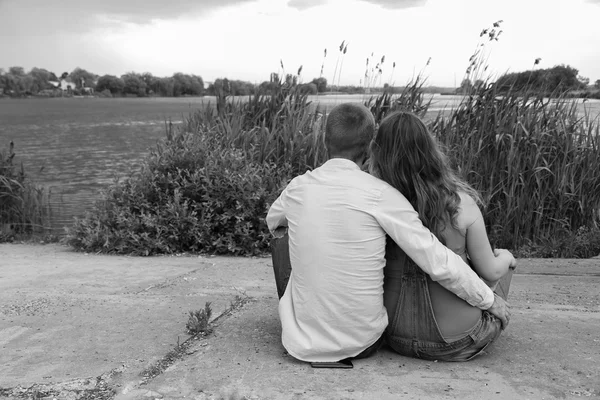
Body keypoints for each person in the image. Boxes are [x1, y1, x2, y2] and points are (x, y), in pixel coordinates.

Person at [266, 103, 510, 363]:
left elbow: (273, 221)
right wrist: (488, 300)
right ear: (370, 146)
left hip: (299, 342)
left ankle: (310, 316)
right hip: (362, 342)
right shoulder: (381, 195)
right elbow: (437, 260)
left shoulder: (298, 187)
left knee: (284, 235)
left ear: (324, 140)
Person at [369, 111, 517, 362]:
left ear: (376, 151)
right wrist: (507, 258)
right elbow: (491, 272)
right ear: (430, 149)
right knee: (500, 263)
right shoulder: (461, 204)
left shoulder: (376, 204)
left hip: (394, 336)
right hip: (459, 340)